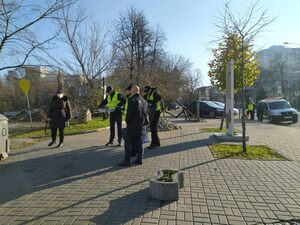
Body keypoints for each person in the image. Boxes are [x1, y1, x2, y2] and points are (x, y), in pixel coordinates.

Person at [118, 86, 148, 166]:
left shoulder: (132, 99)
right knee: (140, 142)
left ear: (133, 91)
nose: (130, 92)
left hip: (132, 125)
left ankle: (127, 161)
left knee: (127, 142)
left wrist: (127, 121)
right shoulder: (144, 101)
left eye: (131, 91)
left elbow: (129, 113)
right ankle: (139, 159)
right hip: (142, 125)